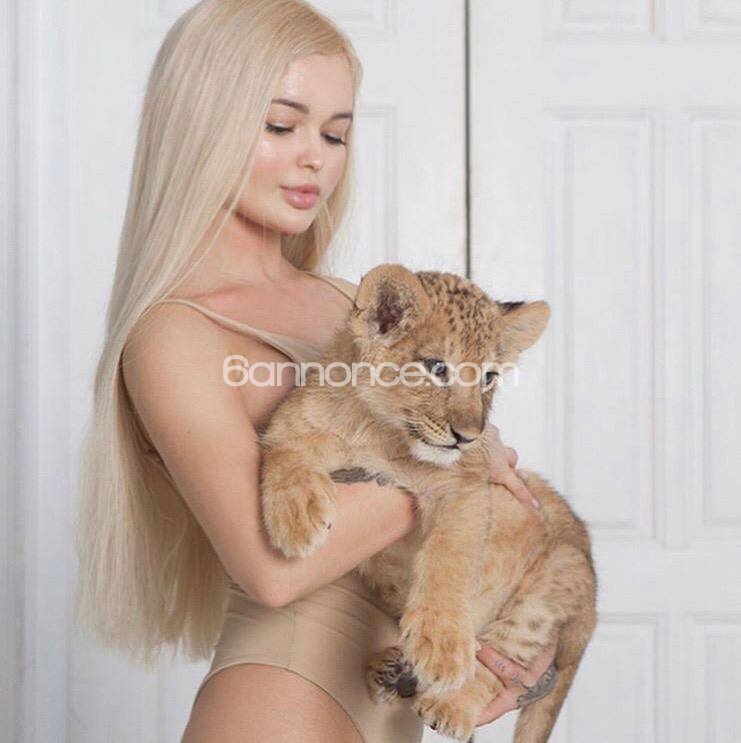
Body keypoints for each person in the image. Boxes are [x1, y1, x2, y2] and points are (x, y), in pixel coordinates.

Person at [72, 1, 557, 741]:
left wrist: (525, 643)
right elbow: (273, 569)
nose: (316, 159)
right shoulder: (174, 334)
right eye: (281, 126)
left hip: (387, 699)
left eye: (335, 134)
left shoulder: (346, 302)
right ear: (201, 124)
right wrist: (448, 479)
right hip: (280, 698)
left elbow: (474, 497)